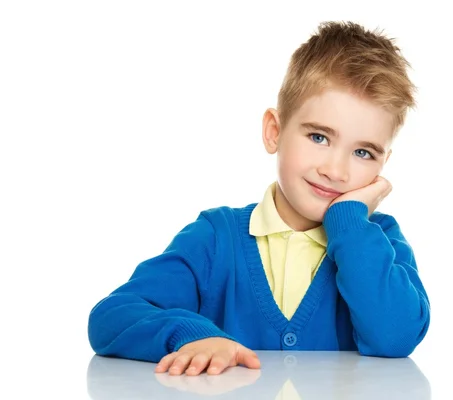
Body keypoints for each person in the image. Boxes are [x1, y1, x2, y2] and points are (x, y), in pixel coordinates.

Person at [88, 20, 431, 377]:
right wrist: (193, 336)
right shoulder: (216, 238)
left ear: (382, 166)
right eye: (319, 137)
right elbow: (113, 315)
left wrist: (349, 221)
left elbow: (397, 336)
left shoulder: (381, 242)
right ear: (274, 132)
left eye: (363, 153)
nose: (336, 170)